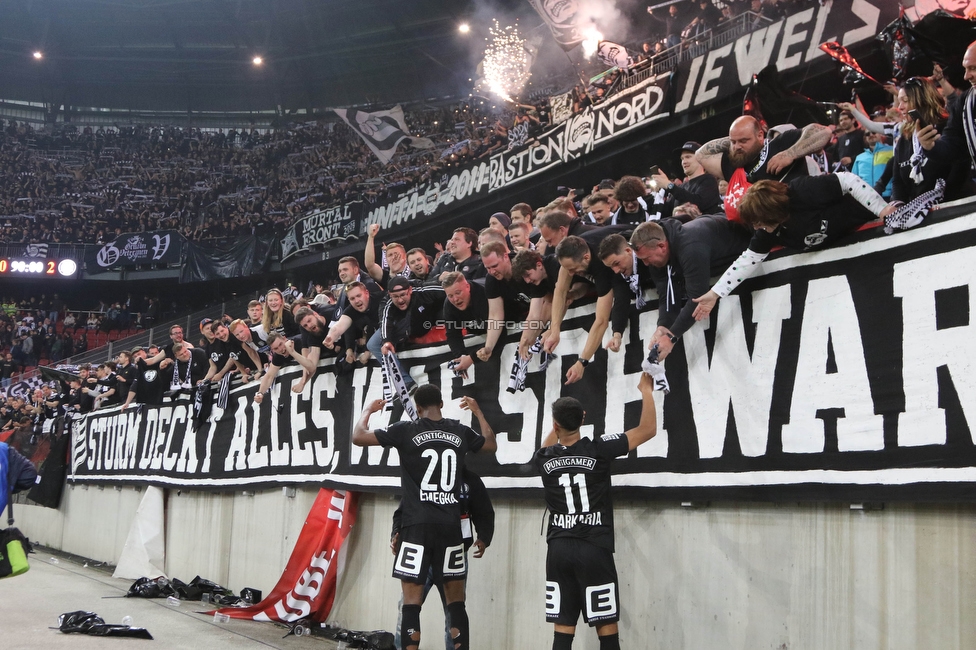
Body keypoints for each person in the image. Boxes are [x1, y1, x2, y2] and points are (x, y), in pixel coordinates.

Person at [353, 385, 497, 650]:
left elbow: (358, 437)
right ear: (441, 403)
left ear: (417, 409)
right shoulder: (460, 430)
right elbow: (490, 444)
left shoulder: (405, 430)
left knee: (410, 604)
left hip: (417, 526)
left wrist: (367, 411)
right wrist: (478, 412)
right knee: (456, 605)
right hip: (451, 528)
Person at [535, 373, 658, 650]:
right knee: (606, 629)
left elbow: (544, 447)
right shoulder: (599, 450)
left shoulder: (544, 458)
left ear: (555, 425)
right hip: (593, 548)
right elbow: (648, 429)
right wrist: (646, 391)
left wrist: (558, 427)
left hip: (559, 549)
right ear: (584, 419)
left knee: (563, 629)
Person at [691, 173, 898, 320]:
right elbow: (747, 260)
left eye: (758, 221)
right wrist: (715, 293)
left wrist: (882, 210)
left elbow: (847, 180)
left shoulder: (802, 191)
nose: (757, 227)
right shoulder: (767, 232)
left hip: (868, 225)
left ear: (770, 212)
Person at [629, 217, 752, 360]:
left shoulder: (690, 245)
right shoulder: (657, 257)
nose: (645, 264)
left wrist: (672, 337)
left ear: (662, 246)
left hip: (747, 246)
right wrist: (663, 325)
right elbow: (666, 295)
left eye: (646, 258)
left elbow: (698, 298)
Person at [696, 116, 833, 222]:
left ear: (760, 136)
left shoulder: (779, 145)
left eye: (743, 141)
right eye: (733, 142)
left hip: (804, 219)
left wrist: (791, 153)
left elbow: (824, 132)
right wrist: (737, 136)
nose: (737, 146)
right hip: (762, 236)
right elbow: (700, 154)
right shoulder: (733, 163)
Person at [651, 141, 723, 215]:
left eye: (688, 157)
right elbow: (667, 212)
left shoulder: (709, 180)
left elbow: (699, 204)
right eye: (682, 158)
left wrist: (669, 185)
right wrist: (649, 198)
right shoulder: (681, 187)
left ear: (699, 158)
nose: (684, 162)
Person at [440, 272, 489, 378]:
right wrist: (461, 356)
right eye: (450, 296)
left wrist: (471, 358)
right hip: (479, 328)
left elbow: (497, 332)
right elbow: (452, 334)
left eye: (458, 293)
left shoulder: (483, 293)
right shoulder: (449, 305)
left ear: (468, 286)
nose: (455, 299)